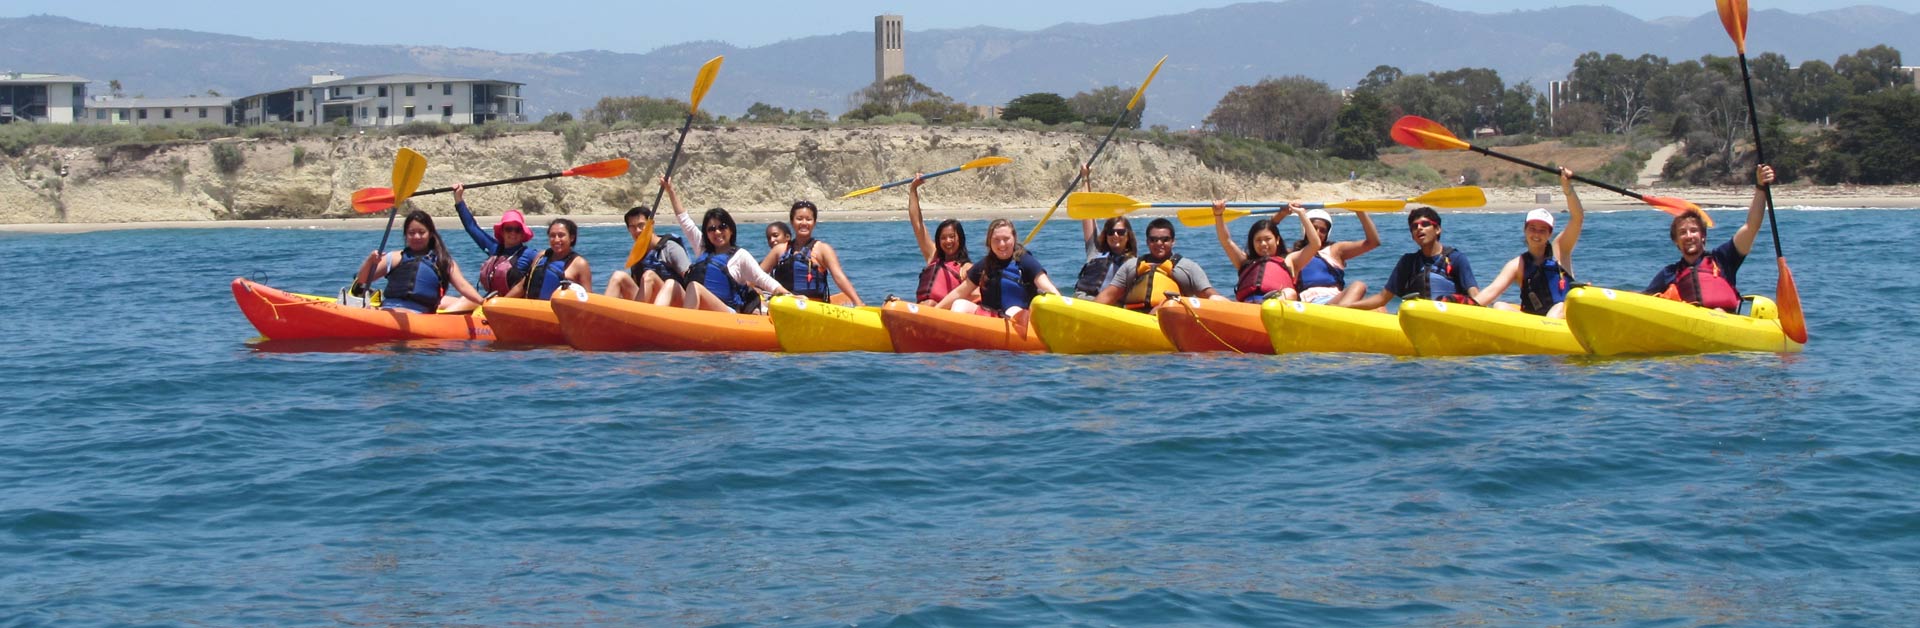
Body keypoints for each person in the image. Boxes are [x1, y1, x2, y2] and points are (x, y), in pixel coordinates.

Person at [1644, 164, 1775, 313]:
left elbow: (1751, 227)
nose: (1688, 236)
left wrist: (1761, 187)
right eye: (1682, 232)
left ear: (1703, 237)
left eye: (1693, 231)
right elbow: (1644, 301)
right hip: (1693, 326)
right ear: (1676, 241)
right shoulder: (1669, 274)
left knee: (1719, 311)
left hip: (1725, 321)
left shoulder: (1722, 259)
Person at [652, 176, 790, 313]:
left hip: (726, 313)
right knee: (671, 284)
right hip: (700, 309)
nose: (717, 232)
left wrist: (787, 294)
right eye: (711, 229)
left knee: (695, 286)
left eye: (722, 227)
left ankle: (685, 326)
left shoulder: (740, 256)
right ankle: (654, 320)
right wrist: (670, 190)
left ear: (731, 229)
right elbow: (684, 220)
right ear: (706, 233)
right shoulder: (703, 247)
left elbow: (762, 278)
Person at [1476, 167, 1586, 318]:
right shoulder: (1517, 265)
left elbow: (1577, 217)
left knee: (1558, 308)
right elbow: (1491, 291)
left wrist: (1567, 187)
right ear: (1525, 230)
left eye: (1542, 230)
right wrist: (1460, 307)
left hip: (1563, 321)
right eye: (1532, 228)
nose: (1536, 234)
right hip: (1534, 323)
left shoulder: (1560, 249)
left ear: (1549, 233)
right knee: (1499, 306)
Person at [935, 218, 1061, 335]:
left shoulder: (1025, 262)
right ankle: (954, 339)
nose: (1001, 244)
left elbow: (1049, 289)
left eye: (1006, 239)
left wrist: (1061, 313)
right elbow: (959, 292)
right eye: (996, 239)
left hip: (1019, 320)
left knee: (1013, 310)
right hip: (988, 317)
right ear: (989, 241)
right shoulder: (983, 265)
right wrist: (935, 311)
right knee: (959, 304)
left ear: (1014, 238)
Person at [1345, 207, 1479, 310]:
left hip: (1449, 317)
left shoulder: (1455, 258)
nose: (1419, 228)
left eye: (1425, 224)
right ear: (1412, 236)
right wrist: (1345, 307)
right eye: (1414, 227)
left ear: (1437, 229)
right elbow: (1382, 298)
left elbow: (1474, 294)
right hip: (1418, 320)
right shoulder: (1408, 262)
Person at [354, 210, 486, 313]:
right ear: (406, 235)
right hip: (388, 311)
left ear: (430, 234)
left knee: (468, 301)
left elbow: (463, 286)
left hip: (421, 315)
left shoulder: (443, 261)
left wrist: (482, 302)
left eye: (421, 232)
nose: (416, 237)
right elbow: (363, 279)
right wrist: (371, 260)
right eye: (412, 233)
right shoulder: (394, 257)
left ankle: (444, 321)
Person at [1095, 218, 1223, 312]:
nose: (1159, 243)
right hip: (1136, 319)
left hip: (1172, 321)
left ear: (1173, 241)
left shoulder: (1188, 268)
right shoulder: (1131, 266)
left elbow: (1210, 296)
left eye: (1165, 239)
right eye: (1153, 240)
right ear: (1147, 242)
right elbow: (1108, 295)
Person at [1212, 201, 1322, 303]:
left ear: (1277, 240)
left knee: (1290, 293)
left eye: (1267, 239)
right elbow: (1226, 241)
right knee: (1214, 299)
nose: (1263, 244)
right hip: (1247, 307)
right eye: (1258, 240)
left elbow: (1315, 244)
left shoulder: (1290, 261)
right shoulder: (1244, 261)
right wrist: (1218, 215)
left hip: (1276, 306)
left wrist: (1301, 214)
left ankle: (1267, 306)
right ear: (1252, 243)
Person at [449, 184, 538, 309]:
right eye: (508, 229)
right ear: (502, 231)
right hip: (491, 304)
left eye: (517, 230)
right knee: (459, 300)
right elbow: (471, 227)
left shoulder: (528, 254)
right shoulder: (494, 248)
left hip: (514, 308)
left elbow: (546, 265)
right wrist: (458, 199)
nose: (513, 233)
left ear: (522, 233)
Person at [762, 200, 864, 306]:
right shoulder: (779, 250)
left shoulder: (823, 249)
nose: (804, 223)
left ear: (814, 222)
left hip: (812, 307)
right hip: (784, 305)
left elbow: (839, 277)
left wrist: (857, 302)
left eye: (809, 219)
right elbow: (756, 275)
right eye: (799, 219)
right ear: (792, 222)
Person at [906, 173, 973, 305]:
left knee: (930, 303)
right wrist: (913, 189)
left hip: (940, 313)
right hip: (922, 308)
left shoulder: (966, 267)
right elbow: (917, 224)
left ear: (960, 238)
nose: (948, 241)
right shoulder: (933, 255)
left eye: (952, 237)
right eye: (943, 238)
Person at [603, 205, 690, 303]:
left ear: (651, 225)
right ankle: (601, 315)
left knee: (649, 276)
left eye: (641, 225)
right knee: (618, 276)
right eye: (632, 227)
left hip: (676, 301)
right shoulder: (637, 254)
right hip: (650, 302)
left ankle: (637, 316)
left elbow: (690, 281)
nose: (637, 231)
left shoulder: (671, 248)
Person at [1072, 164, 1134, 299]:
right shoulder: (1096, 250)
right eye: (1111, 232)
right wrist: (1085, 178)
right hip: (1084, 300)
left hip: (1111, 309)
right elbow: (1087, 212)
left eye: (1120, 232)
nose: (1115, 235)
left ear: (1128, 235)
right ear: (1106, 235)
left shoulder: (1134, 263)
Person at [1295, 208, 1379, 305]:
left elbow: (1373, 242)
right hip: (1313, 302)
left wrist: (1360, 212)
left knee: (1379, 308)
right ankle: (1339, 315)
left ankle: (1340, 313)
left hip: (1336, 299)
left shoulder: (1334, 250)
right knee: (1359, 285)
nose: (1317, 233)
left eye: (1323, 230)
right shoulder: (1294, 254)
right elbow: (1273, 236)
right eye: (1314, 228)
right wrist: (1283, 213)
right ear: (1305, 229)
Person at [504, 218, 592, 299]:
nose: (556, 240)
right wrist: (502, 302)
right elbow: (522, 286)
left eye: (561, 235)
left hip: (558, 314)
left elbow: (588, 299)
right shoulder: (541, 256)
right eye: (552, 236)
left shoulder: (579, 264)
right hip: (531, 310)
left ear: (572, 238)